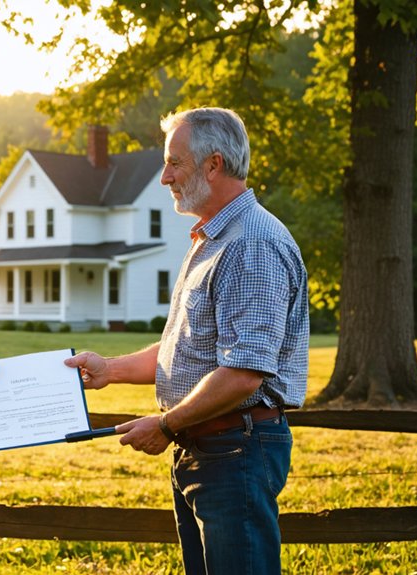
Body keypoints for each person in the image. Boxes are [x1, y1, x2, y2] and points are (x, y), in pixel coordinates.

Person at [66, 107, 309, 574]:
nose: (165, 177)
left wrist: (165, 425)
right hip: (209, 448)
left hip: (234, 450)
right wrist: (111, 370)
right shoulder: (214, 238)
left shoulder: (250, 243)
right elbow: (186, 349)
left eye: (174, 163)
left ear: (213, 165)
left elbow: (243, 372)